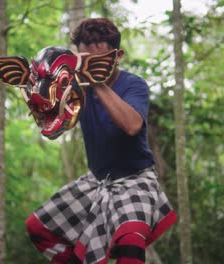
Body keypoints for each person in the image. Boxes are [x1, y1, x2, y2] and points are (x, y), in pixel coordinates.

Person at [25, 18, 177, 264]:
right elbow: (55, 129)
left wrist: (96, 82)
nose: (91, 67)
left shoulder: (134, 84)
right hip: (96, 181)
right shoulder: (76, 88)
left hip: (135, 181)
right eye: (86, 60)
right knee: (37, 228)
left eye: (100, 61)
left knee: (131, 244)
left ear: (117, 56)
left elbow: (132, 126)